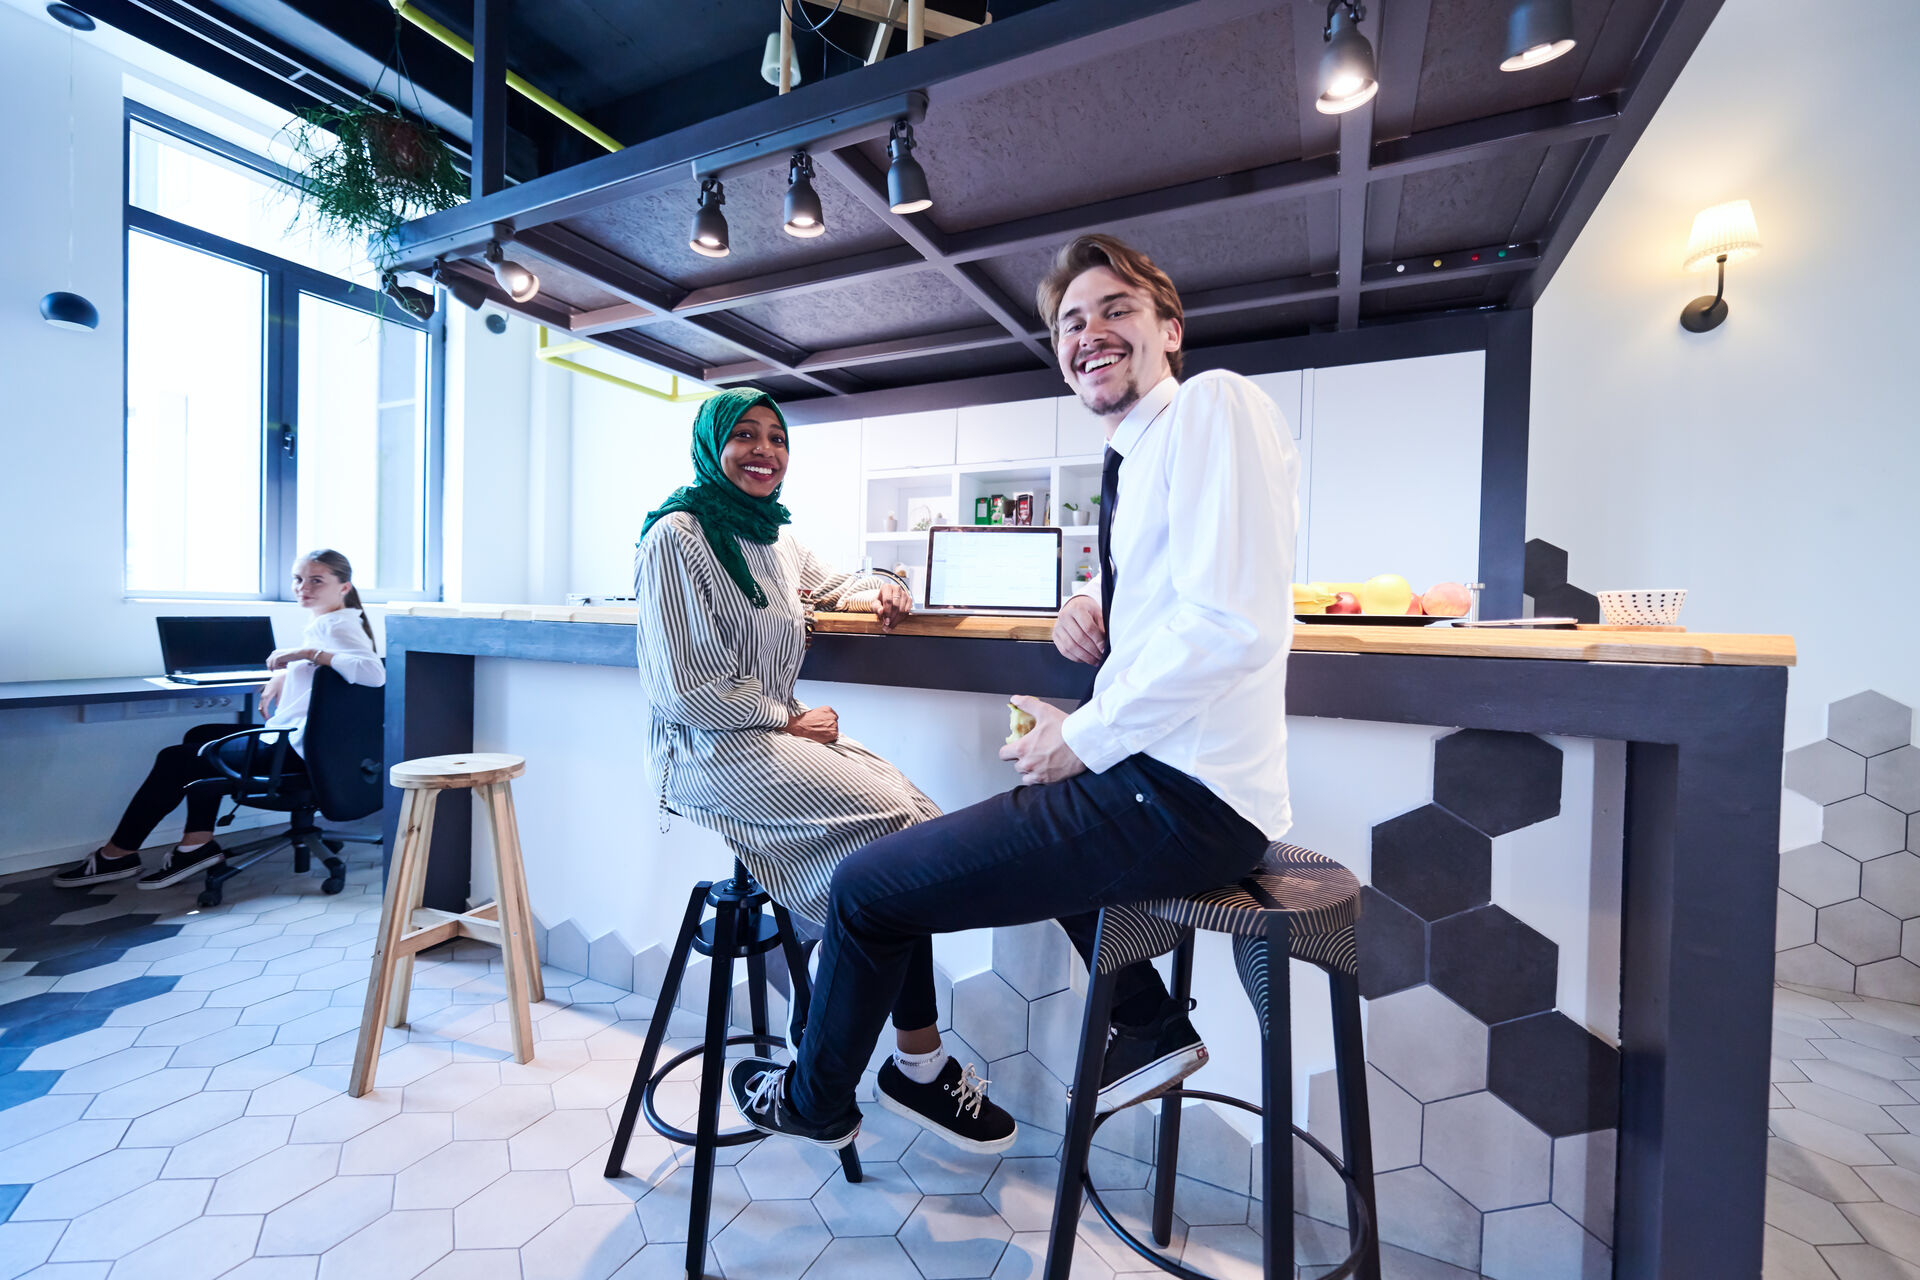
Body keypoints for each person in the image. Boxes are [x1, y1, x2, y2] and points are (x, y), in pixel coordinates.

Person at [727, 233, 1299, 1151]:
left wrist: (1091, 734)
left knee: (870, 887)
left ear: (1171, 330)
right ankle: (1147, 1023)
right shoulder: (1141, 455)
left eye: (1117, 311)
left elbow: (1233, 624)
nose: (1090, 333)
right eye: (1073, 322)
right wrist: (1095, 602)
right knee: (1039, 787)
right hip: (1171, 787)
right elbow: (1183, 585)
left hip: (1184, 801)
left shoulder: (1212, 408)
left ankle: (814, 1100)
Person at [633, 388, 1017, 1154]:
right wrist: (786, 718)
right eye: (744, 436)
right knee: (904, 836)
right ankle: (903, 1061)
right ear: (712, 446)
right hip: (705, 750)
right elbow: (683, 687)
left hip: (770, 738)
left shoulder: (775, 541)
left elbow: (837, 582)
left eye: (776, 438)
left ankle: (854, 1055)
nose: (763, 451)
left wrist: (885, 586)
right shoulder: (676, 536)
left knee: (910, 839)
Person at [52, 549, 386, 891]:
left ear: (343, 587)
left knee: (175, 759)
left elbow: (374, 674)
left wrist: (301, 654)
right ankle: (196, 845)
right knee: (201, 733)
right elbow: (334, 674)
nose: (303, 587)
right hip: (315, 745)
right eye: (298, 579)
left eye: (317, 580)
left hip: (301, 750)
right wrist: (289, 673)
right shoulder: (332, 622)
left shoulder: (336, 625)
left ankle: (117, 855)